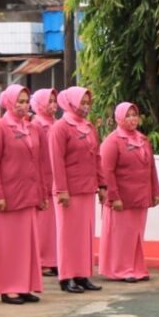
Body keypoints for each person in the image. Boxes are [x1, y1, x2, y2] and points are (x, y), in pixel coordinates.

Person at [0, 85, 45, 305]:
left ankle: (24, 284)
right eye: (19, 101)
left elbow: (39, 163)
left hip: (29, 194)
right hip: (8, 196)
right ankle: (8, 287)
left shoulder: (32, 128)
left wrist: (42, 192)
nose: (23, 105)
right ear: (8, 102)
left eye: (26, 101)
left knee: (27, 243)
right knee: (8, 244)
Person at [99, 102, 159, 283]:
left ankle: (136, 268)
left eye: (134, 115)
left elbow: (151, 168)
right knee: (121, 236)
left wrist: (155, 192)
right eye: (128, 115)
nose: (132, 119)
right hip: (122, 199)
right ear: (119, 117)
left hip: (140, 196)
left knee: (136, 235)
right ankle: (120, 269)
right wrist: (114, 197)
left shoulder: (143, 139)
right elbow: (107, 172)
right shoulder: (112, 141)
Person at [50, 86, 105, 293]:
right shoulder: (60, 128)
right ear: (70, 102)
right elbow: (56, 161)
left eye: (87, 103)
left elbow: (96, 157)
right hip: (69, 190)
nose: (85, 106)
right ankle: (66, 276)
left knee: (85, 234)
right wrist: (62, 190)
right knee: (68, 234)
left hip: (87, 188)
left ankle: (83, 274)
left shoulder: (89, 127)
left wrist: (102, 184)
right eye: (82, 102)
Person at [30, 88, 59, 277]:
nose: (53, 105)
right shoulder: (36, 125)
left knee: (54, 223)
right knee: (43, 223)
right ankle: (42, 260)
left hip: (56, 176)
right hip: (43, 176)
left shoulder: (57, 123)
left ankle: (54, 258)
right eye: (49, 101)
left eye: (55, 100)